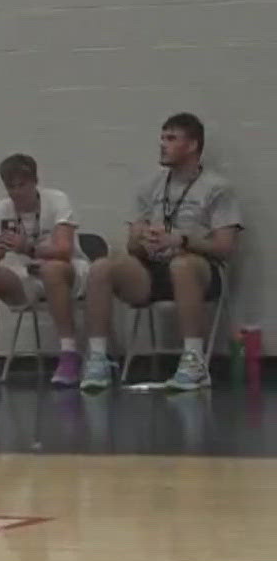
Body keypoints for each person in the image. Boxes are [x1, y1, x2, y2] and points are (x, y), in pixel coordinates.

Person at [82, 113, 242, 392]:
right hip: (151, 269)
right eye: (162, 137)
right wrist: (141, 238)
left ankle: (194, 361)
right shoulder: (150, 185)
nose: (162, 144)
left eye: (171, 138)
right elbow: (132, 243)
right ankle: (98, 358)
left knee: (182, 265)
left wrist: (179, 240)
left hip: (199, 268)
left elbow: (225, 248)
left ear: (192, 145)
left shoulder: (217, 187)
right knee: (101, 267)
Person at [0, 154, 87, 388]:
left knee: (52, 269)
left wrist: (27, 247)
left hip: (68, 272)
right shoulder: (1, 210)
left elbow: (64, 249)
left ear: (35, 182)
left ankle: (69, 353)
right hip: (29, 276)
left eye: (22, 185)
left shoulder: (56, 200)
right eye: (10, 187)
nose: (16, 192)